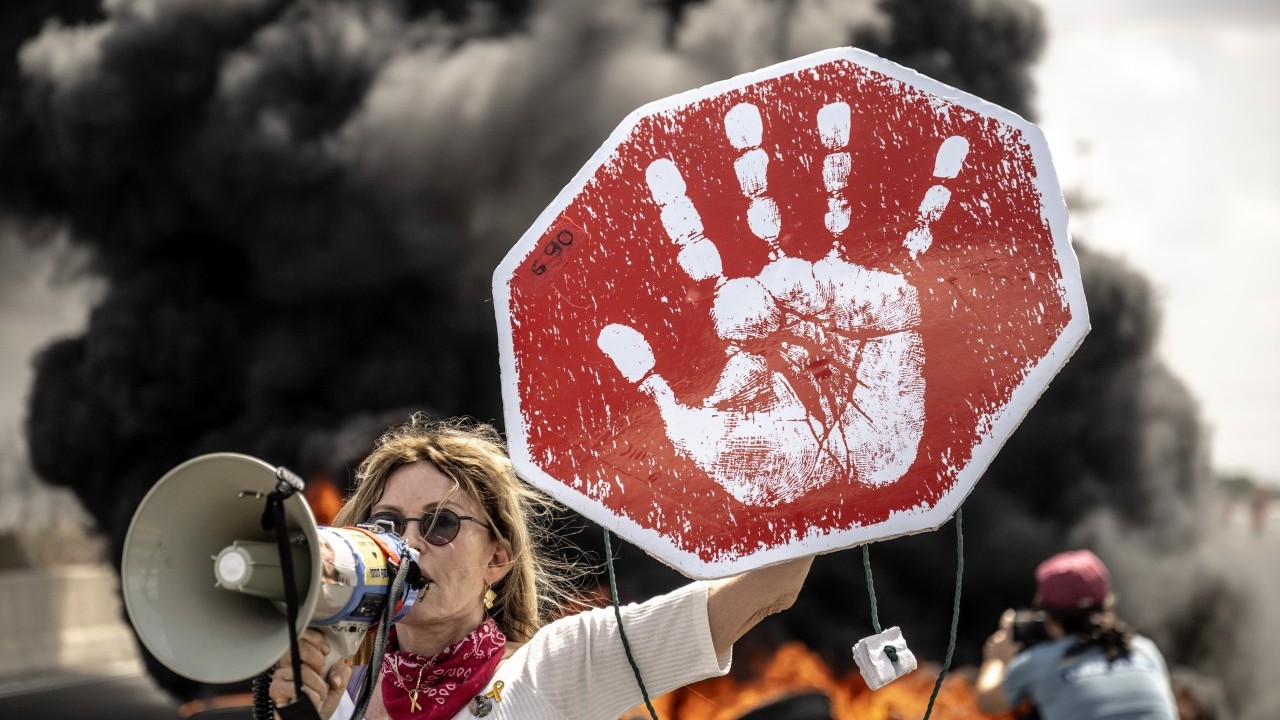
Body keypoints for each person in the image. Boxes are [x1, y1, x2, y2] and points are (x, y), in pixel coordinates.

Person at [268, 414, 813, 719]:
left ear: (497, 559)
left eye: (441, 525)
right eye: (386, 525)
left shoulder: (560, 665)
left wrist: (820, 454)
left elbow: (772, 586)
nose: (410, 543)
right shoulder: (340, 691)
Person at [976, 549, 1178, 720]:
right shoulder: (1146, 650)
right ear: (1110, 607)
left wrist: (997, 660)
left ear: (1048, 617)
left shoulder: (1039, 663)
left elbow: (988, 701)